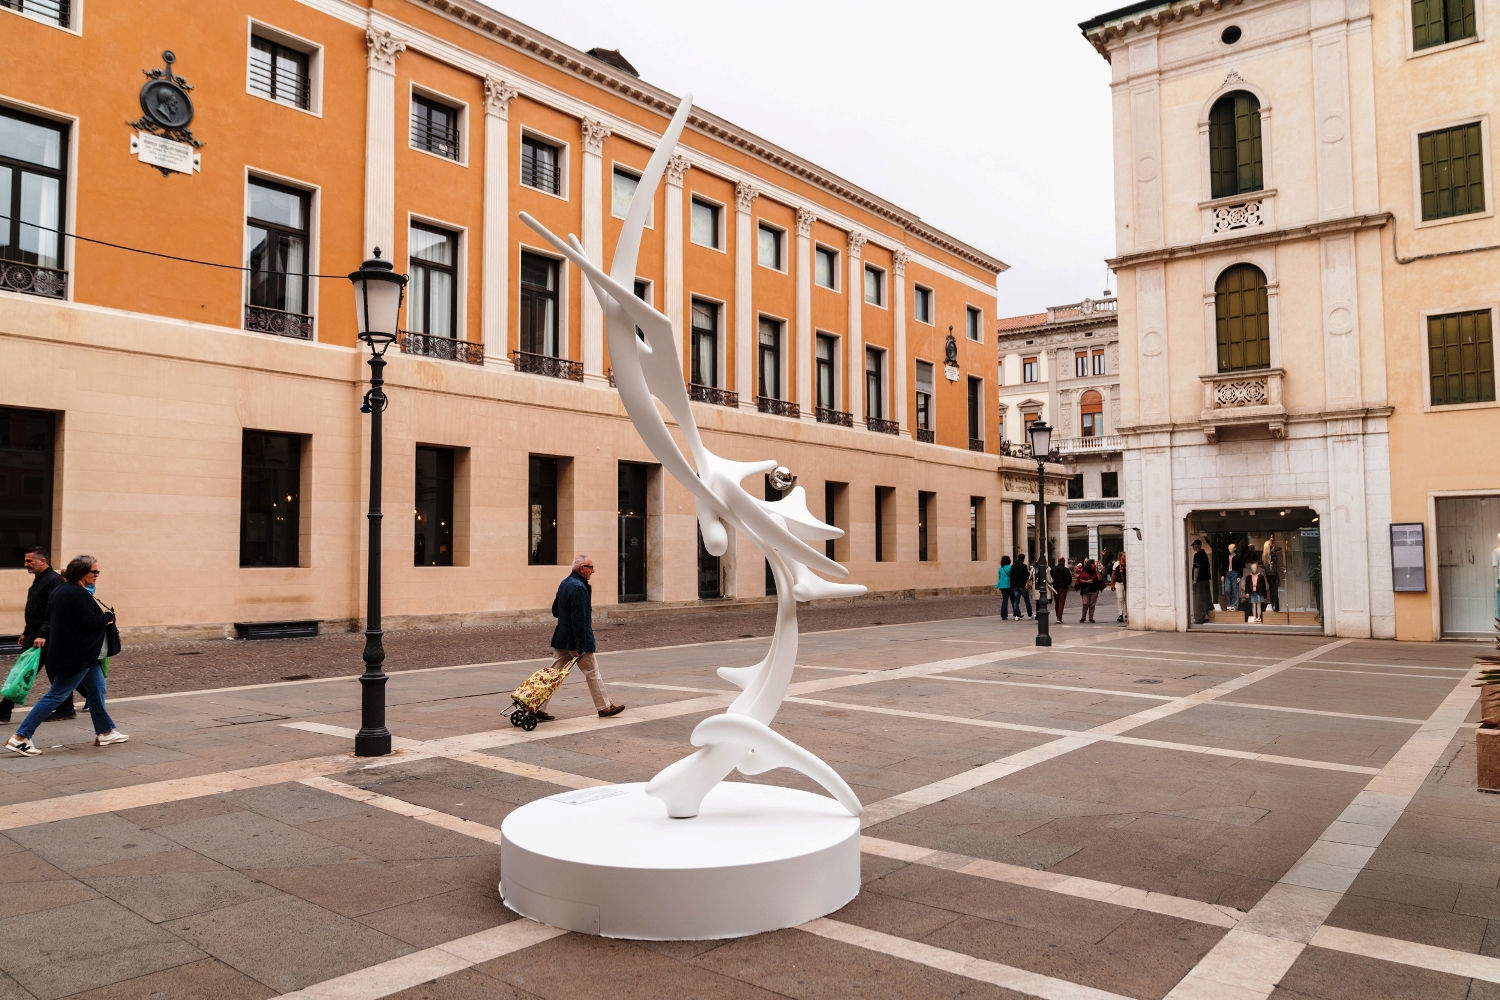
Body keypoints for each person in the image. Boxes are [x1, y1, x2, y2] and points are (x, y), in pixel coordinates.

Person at [6, 556, 127, 756]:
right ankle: (21, 737)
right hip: (76, 656)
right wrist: (107, 617)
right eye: (94, 572)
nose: (97, 575)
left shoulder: (61, 590)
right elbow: (87, 623)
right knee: (55, 695)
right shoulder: (77, 594)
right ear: (82, 573)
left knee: (97, 689)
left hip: (81, 655)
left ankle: (105, 731)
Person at [536, 555, 624, 722]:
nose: (593, 571)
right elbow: (580, 621)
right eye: (591, 567)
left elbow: (555, 610)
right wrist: (580, 645)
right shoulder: (579, 588)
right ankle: (604, 707)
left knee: (553, 675)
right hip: (575, 641)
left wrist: (565, 621)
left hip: (561, 637)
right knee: (592, 672)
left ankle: (537, 706)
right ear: (582, 568)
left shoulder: (565, 583)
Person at [1, 547, 67, 724]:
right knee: (56, 672)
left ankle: (4, 711)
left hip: (43, 636)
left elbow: (52, 610)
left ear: (43, 561)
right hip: (35, 633)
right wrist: (26, 631)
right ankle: (66, 708)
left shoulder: (54, 580)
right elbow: (34, 609)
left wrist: (42, 634)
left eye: (30, 561)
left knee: (24, 671)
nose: (26, 564)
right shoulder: (40, 579)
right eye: (26, 561)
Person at [1191, 539, 1213, 624]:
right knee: (1206, 598)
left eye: (1194, 545)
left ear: (1197, 546)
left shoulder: (1197, 555)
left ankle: (1199, 618)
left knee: (1198, 599)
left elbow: (1197, 568)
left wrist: (1195, 580)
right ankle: (1207, 615)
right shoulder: (1205, 554)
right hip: (1206, 579)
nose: (1193, 547)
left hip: (1200, 580)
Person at [1074, 558, 1103, 623]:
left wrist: (1096, 570)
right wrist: (1087, 581)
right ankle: (1083, 617)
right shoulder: (1084, 570)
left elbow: (1100, 579)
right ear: (1090, 564)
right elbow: (1079, 579)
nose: (1094, 565)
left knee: (1092, 604)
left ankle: (1091, 618)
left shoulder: (1096, 571)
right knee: (1085, 603)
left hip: (1094, 589)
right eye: (1093, 564)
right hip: (1085, 589)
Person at [1010, 553, 1034, 620]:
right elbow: (1026, 576)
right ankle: (1030, 615)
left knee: (1016, 601)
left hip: (1015, 586)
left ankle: (1016, 615)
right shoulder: (1024, 566)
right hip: (1023, 586)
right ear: (1023, 559)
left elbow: (1011, 576)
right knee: (1027, 601)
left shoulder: (1013, 566)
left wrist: (1012, 585)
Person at [1049, 557, 1072, 624]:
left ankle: (1057, 616)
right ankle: (1059, 617)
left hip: (1055, 587)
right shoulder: (1066, 569)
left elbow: (1052, 576)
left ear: (1058, 562)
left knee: (1057, 602)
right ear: (1064, 562)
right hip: (1063, 587)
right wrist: (1067, 584)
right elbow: (1069, 579)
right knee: (1061, 602)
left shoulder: (1053, 569)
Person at [1110, 551, 1128, 624]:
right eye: (1124, 556)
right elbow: (1113, 574)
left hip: (1127, 584)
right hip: (1119, 583)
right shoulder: (1116, 564)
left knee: (1126, 599)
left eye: (1125, 556)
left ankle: (1126, 614)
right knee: (1120, 598)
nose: (1125, 557)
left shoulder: (1128, 564)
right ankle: (1120, 614)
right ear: (1120, 557)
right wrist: (1112, 584)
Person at [995, 555, 1013, 620]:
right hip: (1009, 585)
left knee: (1005, 600)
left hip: (1002, 586)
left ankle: (1003, 615)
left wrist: (998, 585)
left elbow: (999, 578)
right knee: (1013, 600)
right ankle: (1016, 613)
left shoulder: (1000, 569)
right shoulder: (1010, 567)